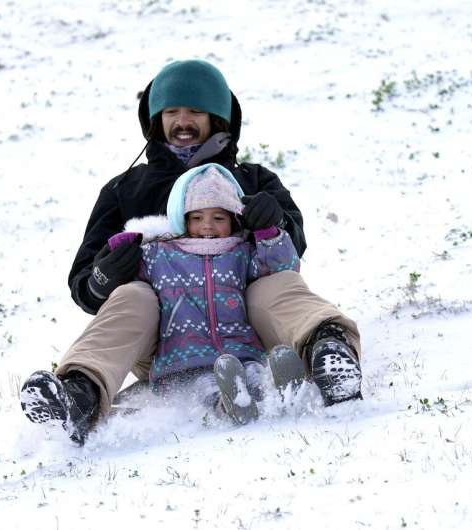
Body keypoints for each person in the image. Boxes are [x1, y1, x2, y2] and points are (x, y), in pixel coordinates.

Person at [20, 59, 363, 444]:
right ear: (155, 120)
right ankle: (79, 395)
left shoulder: (252, 180)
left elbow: (291, 252)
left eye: (195, 111)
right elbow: (85, 287)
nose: (182, 121)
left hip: (246, 332)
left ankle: (330, 353)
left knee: (273, 282)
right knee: (134, 295)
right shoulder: (124, 190)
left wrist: (276, 222)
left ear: (218, 119)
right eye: (171, 112)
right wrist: (105, 273)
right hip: (168, 343)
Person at [111, 162, 302, 425]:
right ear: (183, 219)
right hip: (186, 357)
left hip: (240, 349)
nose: (207, 226)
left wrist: (269, 235)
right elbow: (135, 272)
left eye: (218, 218)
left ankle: (282, 394)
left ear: (234, 219)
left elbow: (281, 267)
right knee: (207, 386)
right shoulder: (163, 254)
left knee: (254, 374)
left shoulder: (242, 252)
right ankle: (228, 407)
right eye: (197, 218)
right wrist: (122, 247)